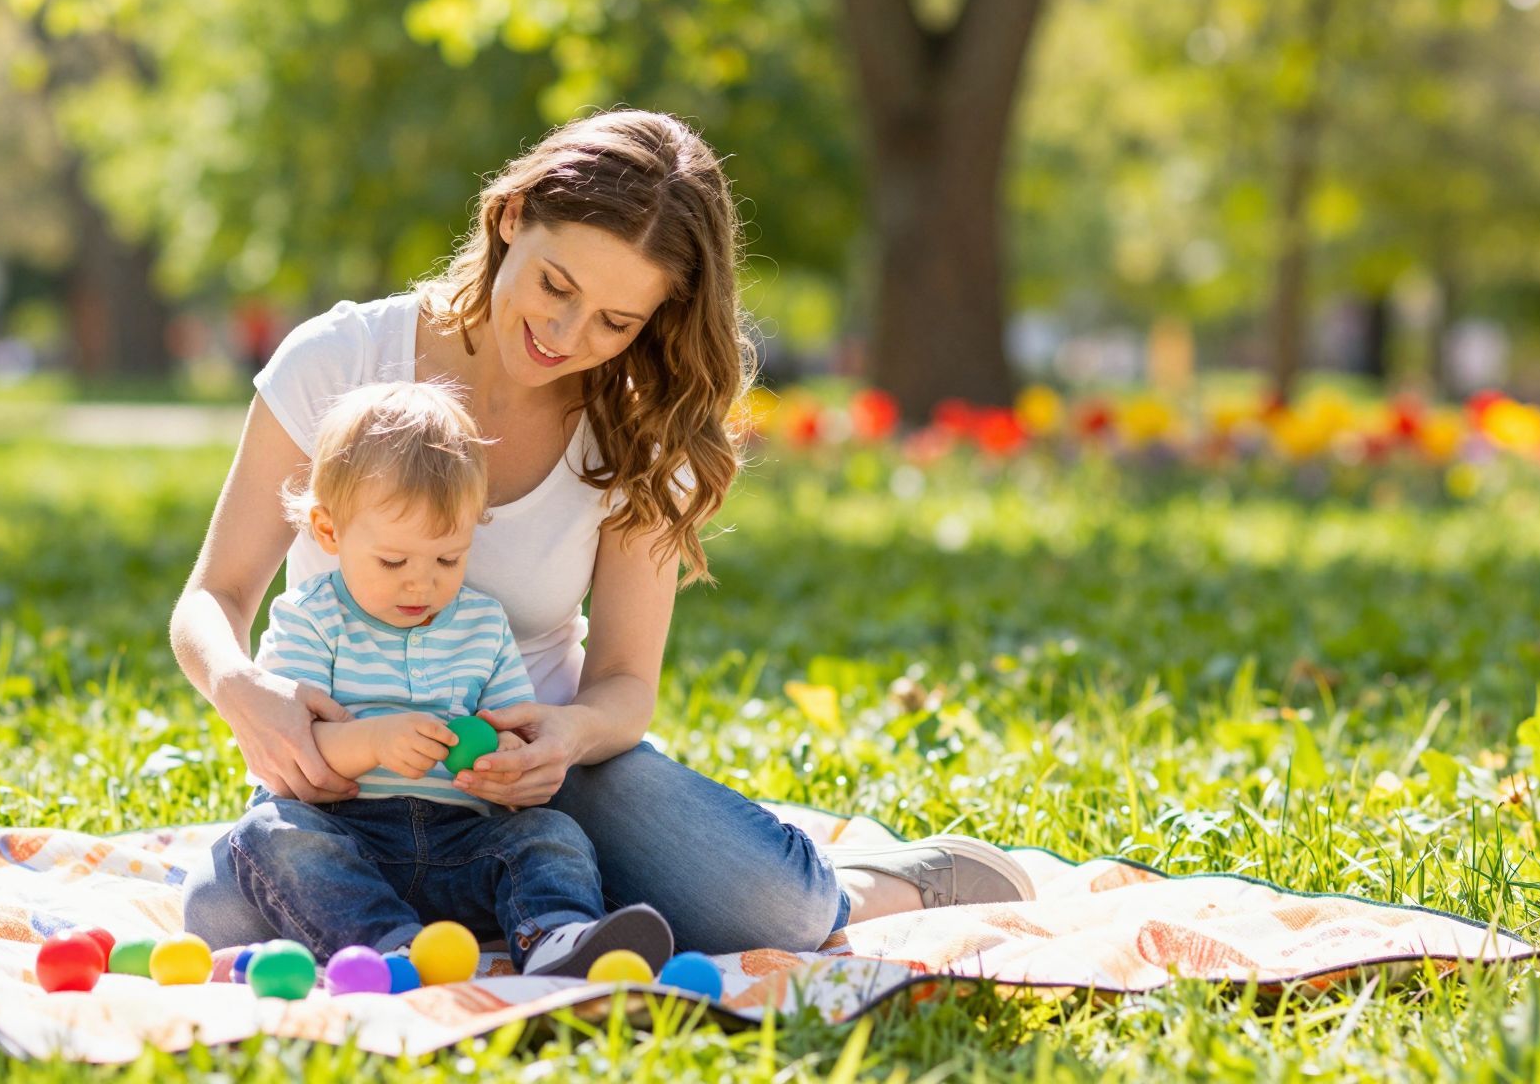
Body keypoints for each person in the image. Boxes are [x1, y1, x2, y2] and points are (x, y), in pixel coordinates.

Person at [172, 108, 1032, 959]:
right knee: (223, 913)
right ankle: (524, 910)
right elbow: (215, 594)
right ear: (511, 218)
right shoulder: (342, 358)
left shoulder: (639, 430)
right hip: (342, 779)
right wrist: (245, 691)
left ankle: (878, 881)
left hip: (537, 786)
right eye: (555, 286)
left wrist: (566, 739)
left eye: (615, 322)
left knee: (780, 911)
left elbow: (623, 681)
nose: (566, 335)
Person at [225, 381, 672, 975]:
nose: (422, 584)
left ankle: (557, 939)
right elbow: (296, 746)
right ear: (329, 532)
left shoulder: (482, 624)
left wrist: (510, 764)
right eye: (394, 561)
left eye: (447, 559)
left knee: (552, 834)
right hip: (349, 838)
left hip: (463, 841)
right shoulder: (311, 616)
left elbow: (509, 726)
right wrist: (376, 741)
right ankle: (389, 947)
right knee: (270, 833)